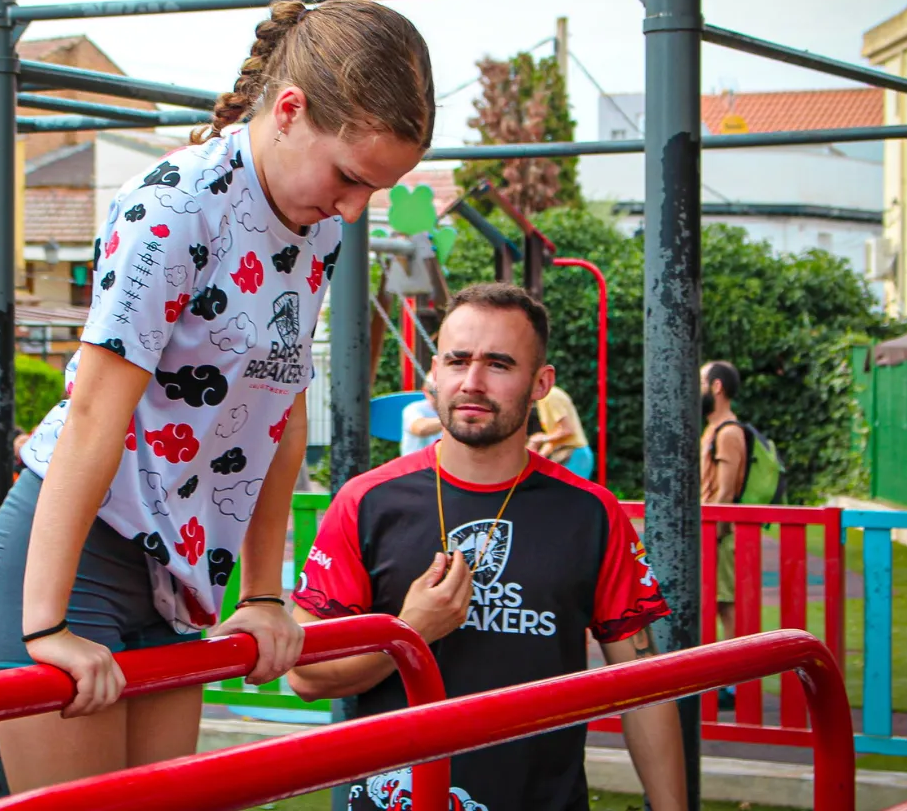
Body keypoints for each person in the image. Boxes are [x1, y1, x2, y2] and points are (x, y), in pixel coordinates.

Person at [0, 0, 436, 793]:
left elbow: (279, 411)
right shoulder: (176, 206)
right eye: (349, 178)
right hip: (75, 560)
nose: (355, 208)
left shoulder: (317, 228)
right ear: (289, 111)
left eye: (376, 190)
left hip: (179, 576)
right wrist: (43, 624)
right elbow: (95, 414)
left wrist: (263, 594)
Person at [288, 284, 686, 811]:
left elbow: (643, 687)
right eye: (457, 361)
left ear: (541, 383)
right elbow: (306, 674)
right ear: (435, 373)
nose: (472, 382)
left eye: (498, 364)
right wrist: (410, 631)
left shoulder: (591, 513)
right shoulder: (367, 501)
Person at [700, 362, 747, 647]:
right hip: (712, 530)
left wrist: (712, 533)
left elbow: (726, 491)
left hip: (720, 534)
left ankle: (737, 668)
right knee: (714, 601)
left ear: (716, 387)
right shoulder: (713, 429)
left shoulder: (728, 433)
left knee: (725, 603)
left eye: (701, 382)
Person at [527, 384, 593, 479]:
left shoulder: (551, 396)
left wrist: (541, 439)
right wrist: (538, 457)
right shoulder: (542, 400)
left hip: (574, 455)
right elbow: (554, 437)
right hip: (566, 454)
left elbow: (567, 430)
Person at [399, 382, 441, 456]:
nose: (439, 397)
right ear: (425, 391)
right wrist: (449, 420)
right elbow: (421, 428)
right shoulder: (413, 408)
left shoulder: (451, 410)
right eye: (435, 393)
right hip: (415, 462)